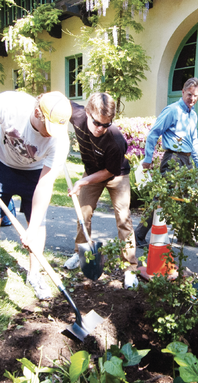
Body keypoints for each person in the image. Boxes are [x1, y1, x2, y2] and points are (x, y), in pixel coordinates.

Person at [0, 90, 72, 300]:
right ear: (37, 112)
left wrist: (30, 229)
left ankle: (34, 274)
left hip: (35, 174)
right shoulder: (9, 105)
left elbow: (46, 182)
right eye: (48, 128)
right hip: (2, 164)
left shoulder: (59, 141)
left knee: (37, 225)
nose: (51, 133)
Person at [63, 93, 139, 289]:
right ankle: (79, 252)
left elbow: (109, 172)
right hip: (92, 171)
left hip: (116, 175)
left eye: (106, 124)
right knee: (83, 213)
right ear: (88, 112)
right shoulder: (77, 114)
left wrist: (84, 181)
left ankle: (130, 268)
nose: (101, 129)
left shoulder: (115, 140)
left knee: (123, 218)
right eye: (97, 123)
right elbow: (57, 103)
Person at [134, 77, 198, 247]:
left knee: (189, 196)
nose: (192, 98)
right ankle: (139, 235)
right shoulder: (172, 111)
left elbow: (194, 141)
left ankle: (185, 236)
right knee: (161, 198)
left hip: (186, 160)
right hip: (172, 158)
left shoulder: (193, 115)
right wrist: (148, 158)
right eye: (189, 94)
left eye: (196, 96)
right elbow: (154, 133)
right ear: (183, 92)